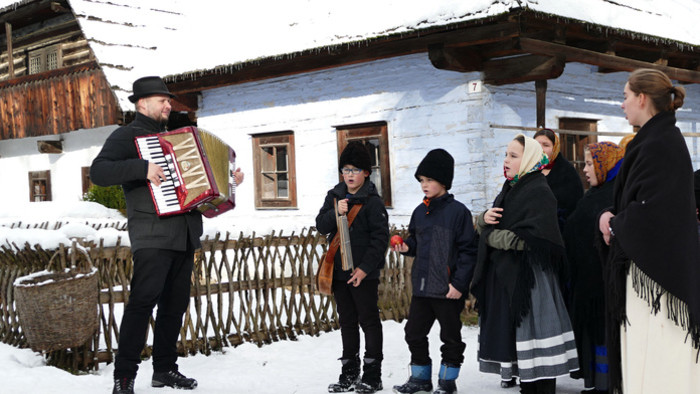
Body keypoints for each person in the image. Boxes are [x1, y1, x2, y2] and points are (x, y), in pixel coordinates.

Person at [91, 76, 244, 394]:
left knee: (175, 306)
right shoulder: (127, 136)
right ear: (141, 103)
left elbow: (201, 186)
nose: (168, 104)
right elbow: (99, 171)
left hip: (184, 234)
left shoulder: (178, 139)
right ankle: (124, 377)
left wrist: (229, 180)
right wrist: (141, 168)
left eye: (169, 100)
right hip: (151, 234)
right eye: (162, 100)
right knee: (142, 303)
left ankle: (164, 369)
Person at [597, 68, 700, 394]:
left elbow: (655, 214)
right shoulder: (654, 139)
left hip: (658, 282)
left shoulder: (661, 143)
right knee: (646, 363)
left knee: (658, 367)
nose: (622, 105)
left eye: (625, 97)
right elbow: (638, 203)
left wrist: (614, 223)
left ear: (642, 98)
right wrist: (611, 215)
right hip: (647, 278)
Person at [471, 134, 579, 394]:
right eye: (506, 154)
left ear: (528, 159)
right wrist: (483, 218)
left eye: (513, 156)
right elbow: (494, 221)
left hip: (532, 282)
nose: (506, 160)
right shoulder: (510, 189)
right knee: (524, 354)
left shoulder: (538, 191)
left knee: (539, 351)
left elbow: (537, 238)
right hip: (512, 279)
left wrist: (492, 236)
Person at [392, 149, 478, 394]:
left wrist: (459, 285)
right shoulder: (420, 211)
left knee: (450, 338)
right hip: (422, 286)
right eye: (421, 180)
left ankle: (447, 382)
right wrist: (407, 247)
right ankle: (420, 378)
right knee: (413, 333)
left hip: (448, 288)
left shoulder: (458, 212)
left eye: (429, 180)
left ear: (443, 181)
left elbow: (468, 252)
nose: (424, 185)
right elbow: (417, 242)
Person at [315, 141, 390, 394]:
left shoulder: (373, 202)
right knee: (347, 322)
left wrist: (364, 269)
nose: (349, 175)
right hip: (339, 272)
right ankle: (348, 374)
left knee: (369, 321)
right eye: (345, 169)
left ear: (366, 173)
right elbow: (321, 226)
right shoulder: (334, 196)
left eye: (355, 170)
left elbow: (380, 240)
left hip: (363, 275)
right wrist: (335, 212)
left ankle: (372, 375)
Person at [563, 142, 624, 394]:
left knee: (604, 335)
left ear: (605, 165)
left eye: (590, 163)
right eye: (585, 163)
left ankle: (606, 384)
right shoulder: (592, 195)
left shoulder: (613, 196)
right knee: (594, 334)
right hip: (587, 281)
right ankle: (596, 382)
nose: (585, 170)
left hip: (603, 283)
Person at [533, 129, 584, 232]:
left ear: (555, 148)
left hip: (558, 230)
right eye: (537, 145)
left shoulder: (566, 172)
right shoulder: (528, 169)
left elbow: (572, 207)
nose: (541, 149)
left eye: (546, 145)